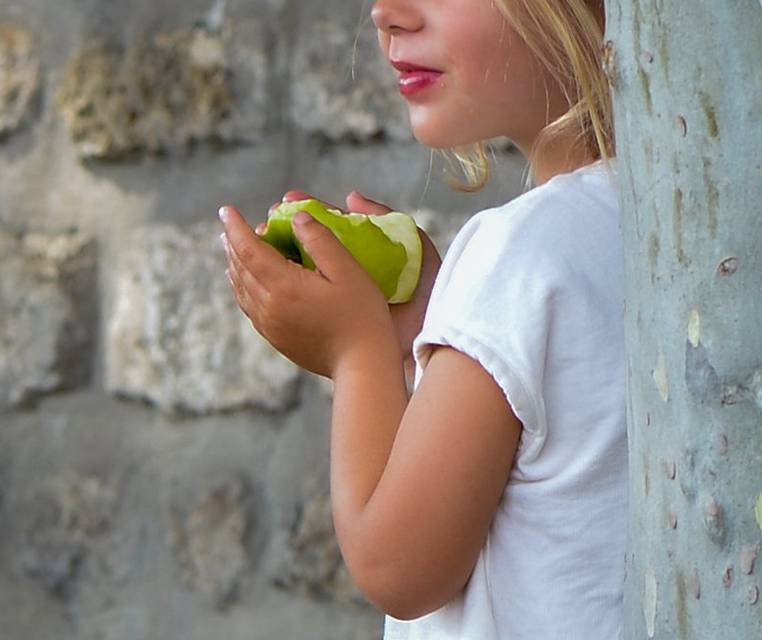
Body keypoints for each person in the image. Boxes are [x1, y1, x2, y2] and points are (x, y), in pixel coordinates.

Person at [217, 0, 626, 637]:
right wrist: (438, 333)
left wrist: (357, 355)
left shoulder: (516, 255)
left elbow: (396, 567)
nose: (387, 14)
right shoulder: (648, 226)